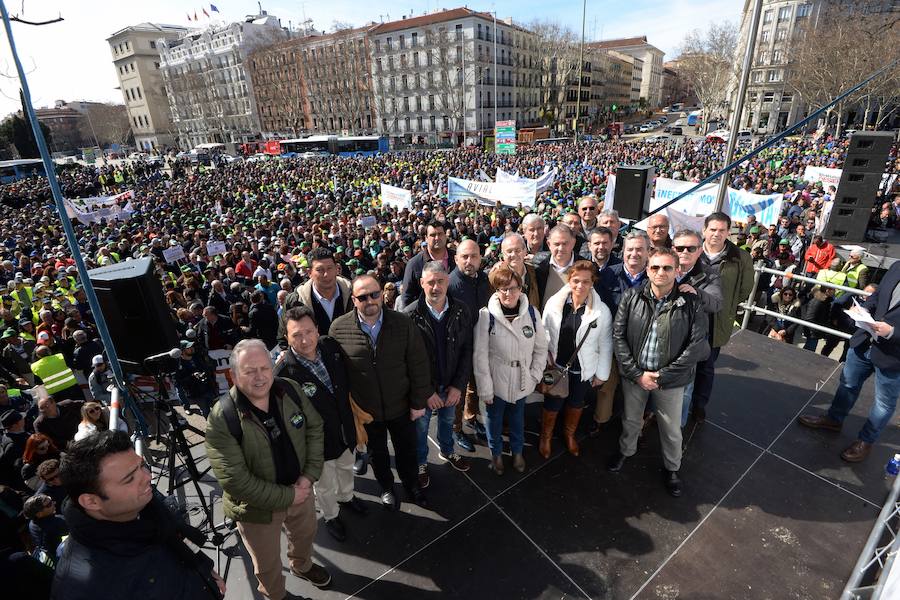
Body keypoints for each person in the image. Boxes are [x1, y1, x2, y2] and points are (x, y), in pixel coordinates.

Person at [205, 339, 330, 598]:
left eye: (265, 368)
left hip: (301, 490)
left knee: (306, 535)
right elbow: (236, 481)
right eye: (250, 371)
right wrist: (289, 496)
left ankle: (302, 565)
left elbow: (315, 429)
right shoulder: (222, 417)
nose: (260, 377)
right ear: (233, 375)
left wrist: (308, 476)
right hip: (257, 512)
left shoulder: (290, 390)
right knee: (267, 563)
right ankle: (276, 595)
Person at [54, 430, 225, 600]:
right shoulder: (85, 588)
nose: (148, 476)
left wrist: (205, 570)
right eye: (129, 479)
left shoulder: (148, 506)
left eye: (141, 466)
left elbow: (178, 538)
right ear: (91, 502)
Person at [608, 248, 709, 497]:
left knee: (671, 427)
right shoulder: (632, 297)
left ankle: (672, 468)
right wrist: (636, 374)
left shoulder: (692, 303)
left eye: (667, 268)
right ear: (647, 270)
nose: (660, 272)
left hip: (670, 381)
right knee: (631, 419)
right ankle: (626, 451)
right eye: (655, 267)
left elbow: (695, 346)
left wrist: (663, 376)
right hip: (636, 376)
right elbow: (618, 337)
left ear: (677, 270)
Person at [329, 274, 431, 509]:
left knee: (407, 451)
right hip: (367, 411)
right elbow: (338, 375)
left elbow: (419, 364)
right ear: (354, 300)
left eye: (374, 294)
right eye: (363, 297)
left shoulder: (403, 323)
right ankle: (386, 487)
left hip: (402, 405)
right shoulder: (339, 329)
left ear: (382, 294)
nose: (370, 300)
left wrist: (418, 403)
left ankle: (412, 485)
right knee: (378, 455)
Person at [276, 306, 367, 544]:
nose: (305, 340)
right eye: (296, 335)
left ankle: (347, 497)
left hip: (345, 430)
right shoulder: (284, 372)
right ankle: (331, 515)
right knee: (324, 485)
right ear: (286, 338)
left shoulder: (330, 346)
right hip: (317, 444)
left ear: (317, 329)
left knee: (347, 467)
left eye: (309, 331)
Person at [797, 261, 900, 462]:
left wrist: (893, 332)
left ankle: (866, 441)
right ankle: (833, 420)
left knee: (883, 402)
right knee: (848, 384)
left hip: (894, 355)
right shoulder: (897, 266)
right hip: (865, 340)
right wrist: (862, 310)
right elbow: (877, 297)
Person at [473, 263, 548, 475]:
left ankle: (517, 452)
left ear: (521, 289)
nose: (509, 293)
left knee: (517, 419)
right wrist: (485, 388)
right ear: (497, 291)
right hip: (496, 381)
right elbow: (480, 356)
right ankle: (496, 454)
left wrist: (534, 375)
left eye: (513, 288)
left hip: (523, 380)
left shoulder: (532, 314)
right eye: (503, 289)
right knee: (494, 420)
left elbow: (541, 349)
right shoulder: (486, 316)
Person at [404, 262, 474, 487]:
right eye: (430, 282)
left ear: (447, 282)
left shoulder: (461, 309)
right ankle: (421, 461)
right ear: (422, 284)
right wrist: (425, 392)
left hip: (451, 385)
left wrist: (458, 386)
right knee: (421, 428)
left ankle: (447, 450)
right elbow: (406, 362)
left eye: (440, 281)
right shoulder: (409, 315)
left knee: (447, 421)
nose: (436, 287)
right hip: (425, 391)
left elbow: (466, 350)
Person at [540, 260, 612, 458]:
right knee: (552, 403)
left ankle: (569, 434)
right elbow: (544, 332)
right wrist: (545, 356)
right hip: (557, 366)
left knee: (576, 403)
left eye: (586, 282)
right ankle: (545, 437)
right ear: (569, 280)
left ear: (592, 283)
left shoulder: (602, 311)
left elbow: (605, 344)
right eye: (576, 281)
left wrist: (602, 373)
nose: (580, 286)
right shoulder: (555, 304)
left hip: (583, 369)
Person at [690, 212, 753, 423]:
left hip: (716, 321)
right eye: (713, 229)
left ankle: (699, 405)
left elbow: (745, 289)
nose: (717, 234)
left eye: (722, 230)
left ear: (728, 232)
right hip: (688, 317)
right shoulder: (691, 250)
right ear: (704, 230)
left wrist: (727, 307)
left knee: (706, 367)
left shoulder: (740, 258)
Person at [672, 229, 723, 427]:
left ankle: (678, 428)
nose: (684, 251)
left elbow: (717, 304)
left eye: (690, 248)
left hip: (688, 343)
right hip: (662, 338)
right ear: (673, 248)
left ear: (699, 251)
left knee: (685, 389)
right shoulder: (662, 267)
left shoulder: (709, 275)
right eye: (680, 247)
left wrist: (697, 293)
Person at [447, 239, 490, 452]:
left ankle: (471, 417)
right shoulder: (450, 284)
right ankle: (456, 429)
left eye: (473, 256)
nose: (469, 261)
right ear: (456, 259)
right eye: (464, 256)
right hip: (458, 350)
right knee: (458, 390)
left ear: (480, 258)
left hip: (480, 344)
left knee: (475, 386)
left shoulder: (484, 280)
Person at [279, 247, 353, 343]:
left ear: (337, 268)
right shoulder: (295, 302)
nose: (326, 274)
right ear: (310, 273)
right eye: (320, 270)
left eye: (330, 268)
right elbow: (283, 337)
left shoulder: (354, 294)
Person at [400, 219, 456, 308]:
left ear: (445, 236)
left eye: (440, 234)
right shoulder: (414, 264)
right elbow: (407, 298)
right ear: (426, 238)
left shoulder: (456, 258)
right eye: (433, 235)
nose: (437, 238)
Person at [532, 224, 578, 310]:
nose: (561, 248)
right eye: (556, 244)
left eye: (565, 243)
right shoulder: (538, 266)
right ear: (549, 244)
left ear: (573, 243)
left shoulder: (585, 267)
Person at [24, 493, 67, 560]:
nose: (54, 503)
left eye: (51, 500)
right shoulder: (56, 523)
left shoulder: (32, 523)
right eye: (49, 504)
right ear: (39, 514)